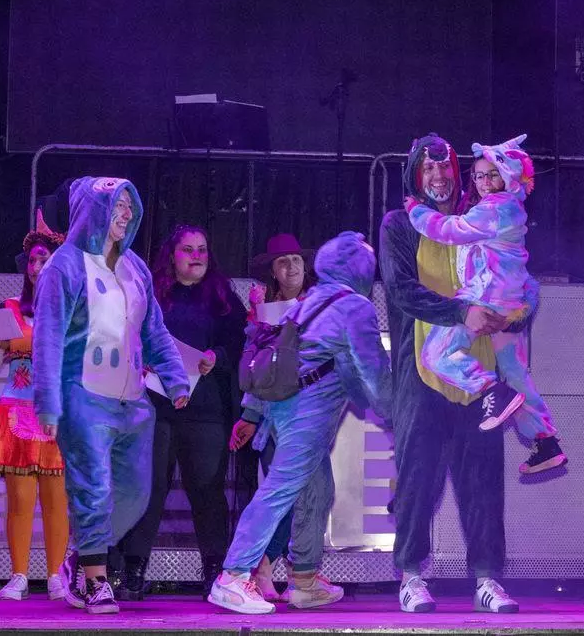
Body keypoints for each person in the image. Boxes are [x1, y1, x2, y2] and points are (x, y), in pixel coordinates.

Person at [381, 133, 537, 614]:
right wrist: (461, 311)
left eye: (445, 167)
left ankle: (488, 579)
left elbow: (519, 278)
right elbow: (401, 291)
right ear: (415, 175)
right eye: (428, 169)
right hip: (420, 372)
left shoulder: (483, 215)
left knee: (484, 480)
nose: (438, 176)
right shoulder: (400, 224)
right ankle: (411, 575)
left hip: (477, 370)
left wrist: (517, 312)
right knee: (418, 477)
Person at [33, 177, 190, 614]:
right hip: (82, 394)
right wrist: (48, 402)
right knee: (93, 487)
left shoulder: (136, 267)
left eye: (129, 205)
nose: (125, 213)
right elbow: (47, 337)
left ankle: (82, 554)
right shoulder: (64, 266)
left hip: (133, 402)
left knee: (137, 495)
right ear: (93, 210)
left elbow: (154, 329)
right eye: (116, 205)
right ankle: (96, 580)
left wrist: (175, 377)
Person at [210, 232, 389, 614]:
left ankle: (304, 580)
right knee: (279, 490)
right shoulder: (353, 306)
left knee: (317, 490)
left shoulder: (312, 300)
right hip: (308, 412)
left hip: (287, 407)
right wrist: (396, 413)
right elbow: (374, 373)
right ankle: (233, 576)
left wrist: (254, 412)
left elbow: (283, 352)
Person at [405, 134, 565, 474]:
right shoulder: (507, 207)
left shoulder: (495, 208)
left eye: (492, 175)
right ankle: (546, 442)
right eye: (478, 176)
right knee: (515, 372)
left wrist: (416, 212)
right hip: (506, 301)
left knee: (435, 354)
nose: (484, 182)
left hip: (486, 298)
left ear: (508, 176)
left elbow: (449, 230)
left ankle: (489, 389)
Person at [115, 225, 247, 600]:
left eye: (202, 249)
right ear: (171, 255)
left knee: (207, 492)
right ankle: (133, 572)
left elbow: (240, 342)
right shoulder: (152, 295)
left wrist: (216, 357)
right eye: (188, 249)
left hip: (205, 411)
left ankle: (214, 572)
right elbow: (127, 335)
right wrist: (141, 361)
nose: (196, 256)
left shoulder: (223, 297)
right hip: (155, 408)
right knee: (148, 489)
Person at [234, 233, 319, 600]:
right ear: (273, 271)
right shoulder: (264, 313)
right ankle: (263, 566)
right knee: (283, 493)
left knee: (307, 496)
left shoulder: (318, 305)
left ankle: (291, 572)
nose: (292, 266)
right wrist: (250, 415)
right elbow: (254, 369)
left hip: (310, 413)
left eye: (296, 260)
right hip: (274, 417)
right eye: (283, 262)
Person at [0, 223, 69, 601]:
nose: (37, 267)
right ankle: (19, 575)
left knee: (57, 501)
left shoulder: (73, 312)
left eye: (45, 260)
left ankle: (56, 575)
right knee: (20, 501)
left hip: (57, 413)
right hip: (17, 411)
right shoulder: (8, 309)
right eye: (33, 260)